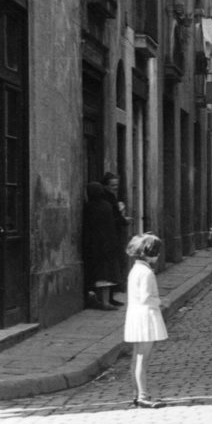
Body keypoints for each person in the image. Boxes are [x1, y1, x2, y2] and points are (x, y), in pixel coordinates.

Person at [123, 233, 168, 409]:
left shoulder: (135, 270)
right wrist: (161, 301)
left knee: (136, 357)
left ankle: (136, 393)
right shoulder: (147, 272)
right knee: (143, 357)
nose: (157, 256)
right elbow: (146, 298)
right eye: (156, 252)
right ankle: (143, 395)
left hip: (135, 315)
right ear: (149, 253)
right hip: (146, 316)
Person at [82, 181, 124, 311]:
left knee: (100, 273)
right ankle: (105, 300)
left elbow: (88, 226)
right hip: (109, 243)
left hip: (95, 244)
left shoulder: (90, 207)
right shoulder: (106, 205)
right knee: (107, 273)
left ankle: (103, 302)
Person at [101, 172, 130, 306]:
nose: (115, 188)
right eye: (112, 185)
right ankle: (107, 298)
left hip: (114, 236)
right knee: (109, 268)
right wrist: (124, 220)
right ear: (105, 186)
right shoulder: (106, 199)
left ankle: (111, 296)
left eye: (117, 185)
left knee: (114, 267)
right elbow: (112, 218)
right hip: (109, 237)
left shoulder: (111, 197)